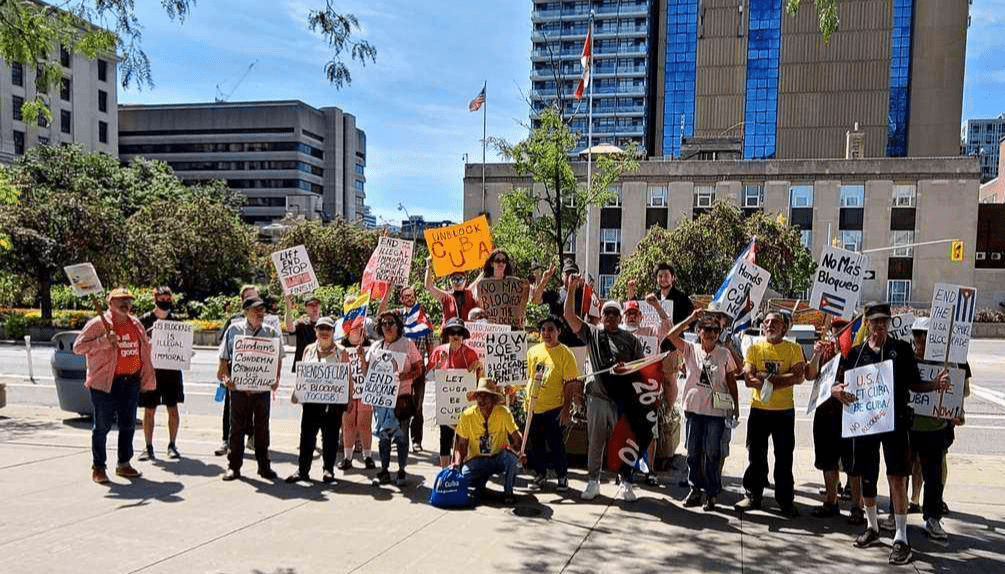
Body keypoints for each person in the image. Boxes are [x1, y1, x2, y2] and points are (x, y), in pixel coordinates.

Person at [831, 303, 945, 565]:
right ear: (867, 324)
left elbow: (914, 383)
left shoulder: (901, 350)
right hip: (865, 425)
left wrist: (934, 385)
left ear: (889, 323)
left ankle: (902, 538)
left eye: (884, 321)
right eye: (875, 321)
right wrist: (835, 392)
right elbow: (838, 382)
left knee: (897, 478)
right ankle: (872, 527)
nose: (880, 325)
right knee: (867, 477)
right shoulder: (856, 354)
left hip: (895, 425)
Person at [564, 274, 644, 501]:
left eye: (614, 313)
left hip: (623, 399)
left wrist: (626, 369)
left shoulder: (631, 340)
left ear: (620, 317)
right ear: (602, 315)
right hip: (598, 397)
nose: (610, 316)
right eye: (606, 312)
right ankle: (593, 481)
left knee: (625, 441)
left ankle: (626, 481)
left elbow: (641, 370)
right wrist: (571, 288)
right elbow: (569, 316)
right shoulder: (592, 333)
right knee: (595, 441)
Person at [74, 288, 156, 484]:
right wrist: (103, 342)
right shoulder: (97, 324)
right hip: (105, 383)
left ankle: (124, 463)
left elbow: (144, 350)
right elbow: (78, 347)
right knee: (102, 426)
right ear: (109, 303)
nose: (125, 304)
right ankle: (99, 467)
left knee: (128, 425)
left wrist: (146, 378)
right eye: (120, 300)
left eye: (128, 300)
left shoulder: (135, 324)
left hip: (130, 382)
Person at [667, 307, 739, 511]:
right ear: (699, 331)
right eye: (706, 329)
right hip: (693, 410)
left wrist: (735, 407)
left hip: (716, 413)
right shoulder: (690, 349)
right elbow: (671, 335)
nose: (711, 333)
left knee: (713, 454)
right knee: (692, 453)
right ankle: (695, 490)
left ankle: (711, 493)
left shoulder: (724, 353)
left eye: (715, 330)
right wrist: (691, 317)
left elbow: (732, 380)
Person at [735, 310, 806, 517]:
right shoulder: (754, 348)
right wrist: (781, 378)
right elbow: (748, 378)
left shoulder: (794, 348)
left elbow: (799, 376)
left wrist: (766, 379)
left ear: (784, 327)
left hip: (784, 413)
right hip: (759, 411)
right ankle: (753, 495)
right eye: (766, 322)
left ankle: (785, 501)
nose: (769, 325)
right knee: (755, 456)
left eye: (775, 322)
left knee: (784, 458)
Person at [904, 317, 965, 542]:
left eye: (925, 335)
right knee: (902, 473)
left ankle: (932, 518)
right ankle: (895, 513)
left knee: (933, 477)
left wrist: (957, 414)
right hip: (909, 428)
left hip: (935, 429)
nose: (920, 340)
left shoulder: (948, 365)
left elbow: (957, 395)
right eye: (917, 335)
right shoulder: (907, 361)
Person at [805, 318, 865, 524]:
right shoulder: (824, 351)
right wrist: (816, 354)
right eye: (836, 328)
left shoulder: (858, 353)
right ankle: (831, 501)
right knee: (827, 461)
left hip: (851, 414)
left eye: (844, 328)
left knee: (854, 463)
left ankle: (857, 506)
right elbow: (810, 375)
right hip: (825, 413)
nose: (840, 332)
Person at [218, 296, 284, 481]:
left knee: (262, 429)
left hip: (262, 390)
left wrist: (276, 378)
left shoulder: (272, 332)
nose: (260, 313)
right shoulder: (233, 330)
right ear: (246, 311)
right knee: (236, 429)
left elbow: (278, 358)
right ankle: (233, 467)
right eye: (256, 310)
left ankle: (264, 467)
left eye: (262, 310)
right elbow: (224, 358)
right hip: (239, 389)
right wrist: (226, 377)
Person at [363, 310, 423, 486]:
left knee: (402, 437)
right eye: (384, 323)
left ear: (398, 325)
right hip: (381, 400)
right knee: (383, 437)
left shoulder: (407, 344)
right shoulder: (375, 347)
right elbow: (368, 372)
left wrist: (406, 376)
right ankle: (384, 470)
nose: (387, 326)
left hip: (400, 399)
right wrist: (361, 357)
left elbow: (419, 368)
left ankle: (402, 471)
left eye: (391, 322)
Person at [286, 317, 345, 484]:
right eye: (321, 329)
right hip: (312, 402)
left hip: (333, 402)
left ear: (333, 332)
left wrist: (347, 400)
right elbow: (303, 374)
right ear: (316, 331)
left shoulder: (342, 352)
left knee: (330, 437)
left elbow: (347, 379)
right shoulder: (308, 350)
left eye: (328, 329)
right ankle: (302, 470)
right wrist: (296, 391)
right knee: (307, 436)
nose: (324, 332)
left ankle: (328, 469)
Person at [525, 315, 580, 491]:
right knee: (537, 444)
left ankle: (562, 476)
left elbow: (571, 383)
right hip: (533, 408)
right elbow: (529, 377)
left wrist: (566, 409)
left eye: (551, 330)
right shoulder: (533, 352)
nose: (546, 333)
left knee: (556, 445)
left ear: (559, 332)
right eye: (543, 330)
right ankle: (540, 474)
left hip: (554, 408)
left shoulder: (565, 353)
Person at [380, 284, 437, 453]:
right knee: (398, 403)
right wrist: (388, 290)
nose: (409, 299)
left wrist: (430, 367)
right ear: (401, 299)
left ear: (415, 297)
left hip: (418, 368)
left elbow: (429, 345)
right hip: (398, 368)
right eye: (406, 296)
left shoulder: (424, 318)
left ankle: (417, 441)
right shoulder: (397, 316)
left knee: (417, 406)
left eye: (411, 296)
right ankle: (398, 438)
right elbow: (381, 312)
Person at [452, 378, 526, 505]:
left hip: (498, 457)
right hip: (477, 460)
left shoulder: (503, 413)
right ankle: (481, 482)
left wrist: (520, 451)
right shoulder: (467, 415)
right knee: (463, 476)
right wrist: (456, 463)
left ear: (493, 399)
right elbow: (461, 445)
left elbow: (516, 436)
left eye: (486, 396)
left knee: (511, 460)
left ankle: (508, 492)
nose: (482, 400)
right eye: (479, 396)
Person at [427, 318, 483, 467]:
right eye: (452, 332)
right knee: (445, 436)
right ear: (447, 334)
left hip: (465, 403)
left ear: (463, 335)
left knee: (463, 437)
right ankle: (445, 470)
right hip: (446, 403)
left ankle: (462, 468)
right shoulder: (439, 352)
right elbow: (428, 377)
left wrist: (478, 367)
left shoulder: (471, 353)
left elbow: (479, 379)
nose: (455, 336)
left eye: (459, 332)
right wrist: (438, 365)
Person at [137, 286, 185, 461]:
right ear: (154, 298)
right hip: (151, 372)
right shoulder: (144, 321)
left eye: (168, 299)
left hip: (171, 372)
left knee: (173, 408)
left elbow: (184, 346)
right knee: (149, 410)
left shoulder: (177, 322)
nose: (165, 302)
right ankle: (148, 447)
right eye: (161, 299)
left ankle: (172, 445)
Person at [215, 284, 259, 457]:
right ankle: (227, 440)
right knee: (230, 407)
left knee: (255, 407)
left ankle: (253, 438)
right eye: (248, 297)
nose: (252, 300)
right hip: (235, 369)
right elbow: (223, 348)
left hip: (257, 370)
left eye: (255, 297)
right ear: (242, 301)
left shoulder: (265, 319)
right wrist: (222, 371)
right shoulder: (233, 321)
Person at [336, 315, 375, 470]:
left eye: (360, 327)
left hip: (365, 393)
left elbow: (372, 372)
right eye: (354, 327)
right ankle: (347, 457)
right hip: (348, 394)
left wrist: (362, 358)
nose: (358, 330)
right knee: (348, 425)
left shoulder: (371, 347)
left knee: (365, 424)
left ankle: (368, 456)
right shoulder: (340, 348)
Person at [533, 259, 586, 347]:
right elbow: (535, 300)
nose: (570, 277)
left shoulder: (583, 294)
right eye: (567, 274)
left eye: (573, 274)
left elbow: (594, 315)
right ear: (562, 276)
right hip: (557, 343)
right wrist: (544, 280)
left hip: (578, 343)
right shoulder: (556, 293)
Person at [425, 256, 478, 322]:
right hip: (449, 330)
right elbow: (429, 286)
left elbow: (481, 277)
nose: (457, 283)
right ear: (450, 281)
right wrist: (429, 266)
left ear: (465, 281)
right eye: (454, 279)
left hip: (467, 330)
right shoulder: (445, 296)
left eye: (460, 279)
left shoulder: (471, 292)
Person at [284, 294, 321, 372]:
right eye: (311, 305)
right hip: (303, 364)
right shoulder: (301, 324)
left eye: (317, 305)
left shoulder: (326, 324)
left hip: (321, 365)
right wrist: (289, 308)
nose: (314, 308)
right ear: (306, 309)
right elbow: (290, 327)